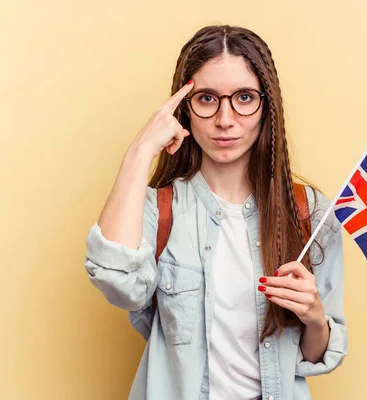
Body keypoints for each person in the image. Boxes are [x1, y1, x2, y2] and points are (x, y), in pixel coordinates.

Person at [85, 25, 347, 400]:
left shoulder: (309, 213)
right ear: (184, 109)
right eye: (207, 99)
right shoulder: (159, 211)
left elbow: (315, 356)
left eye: (243, 97)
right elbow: (117, 284)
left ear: (266, 106)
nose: (226, 119)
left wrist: (314, 317)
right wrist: (141, 151)